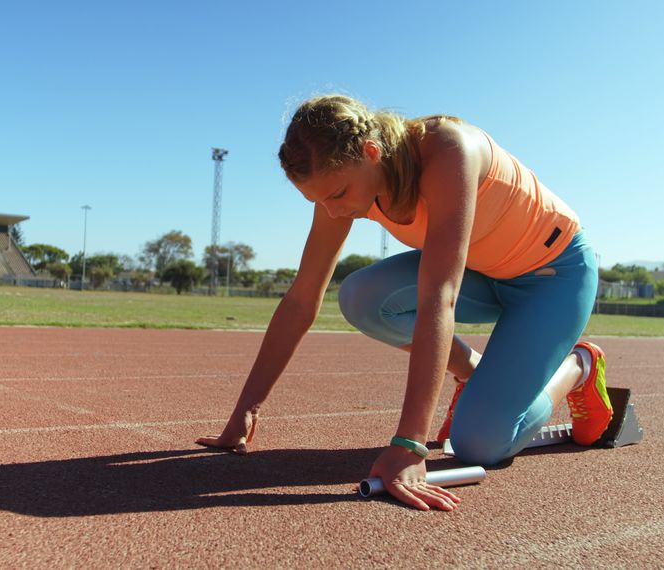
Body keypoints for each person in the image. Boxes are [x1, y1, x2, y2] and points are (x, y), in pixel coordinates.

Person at [196, 94, 610, 511]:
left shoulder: (450, 151)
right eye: (319, 201)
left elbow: (439, 298)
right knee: (359, 296)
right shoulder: (340, 185)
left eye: (338, 194)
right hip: (480, 274)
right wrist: (246, 410)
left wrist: (410, 445)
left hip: (551, 276)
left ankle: (578, 367)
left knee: (480, 443)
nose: (332, 212)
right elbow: (303, 296)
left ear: (371, 152)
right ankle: (475, 375)